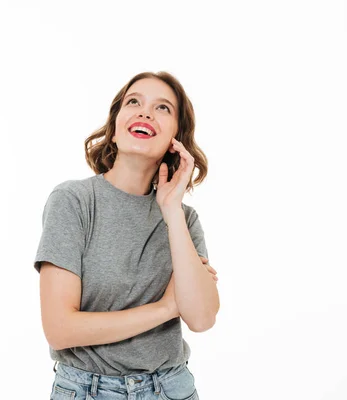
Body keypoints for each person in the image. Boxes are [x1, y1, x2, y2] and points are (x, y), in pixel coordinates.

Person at [33, 71, 220, 400]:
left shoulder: (184, 220)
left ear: (176, 139)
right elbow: (60, 329)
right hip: (87, 390)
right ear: (115, 127)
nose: (146, 112)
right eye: (134, 102)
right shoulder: (74, 201)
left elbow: (202, 317)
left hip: (171, 388)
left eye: (163, 108)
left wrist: (171, 210)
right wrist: (165, 308)